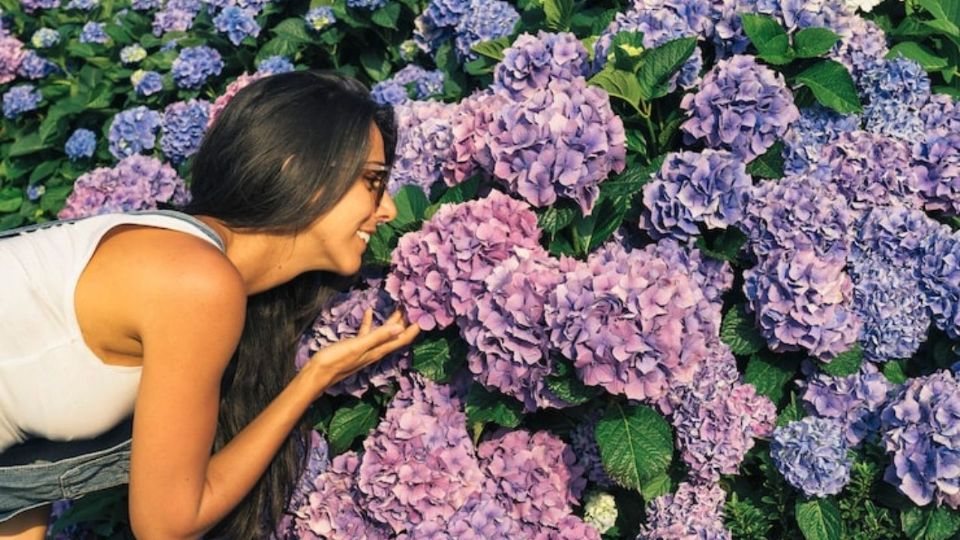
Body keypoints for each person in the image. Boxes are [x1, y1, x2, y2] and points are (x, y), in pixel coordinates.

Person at [0, 70, 421, 539]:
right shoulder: (196, 283)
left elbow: (16, 472)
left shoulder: (178, 255)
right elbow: (166, 526)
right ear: (293, 168)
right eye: (372, 181)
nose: (387, 210)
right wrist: (311, 381)